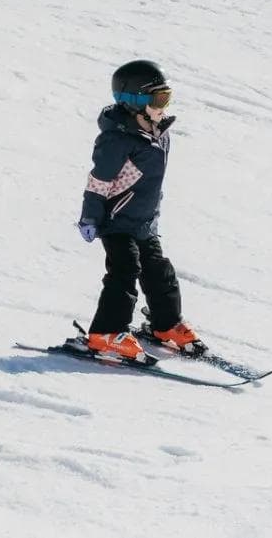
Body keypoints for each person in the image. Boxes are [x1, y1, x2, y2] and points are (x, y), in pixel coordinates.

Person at [76, 60, 200, 359]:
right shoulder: (116, 138)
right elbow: (99, 181)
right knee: (124, 270)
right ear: (134, 101)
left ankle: (166, 324)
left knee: (159, 271)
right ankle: (105, 332)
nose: (164, 106)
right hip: (116, 220)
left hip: (144, 220)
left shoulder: (159, 133)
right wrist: (90, 216)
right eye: (159, 99)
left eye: (167, 97)